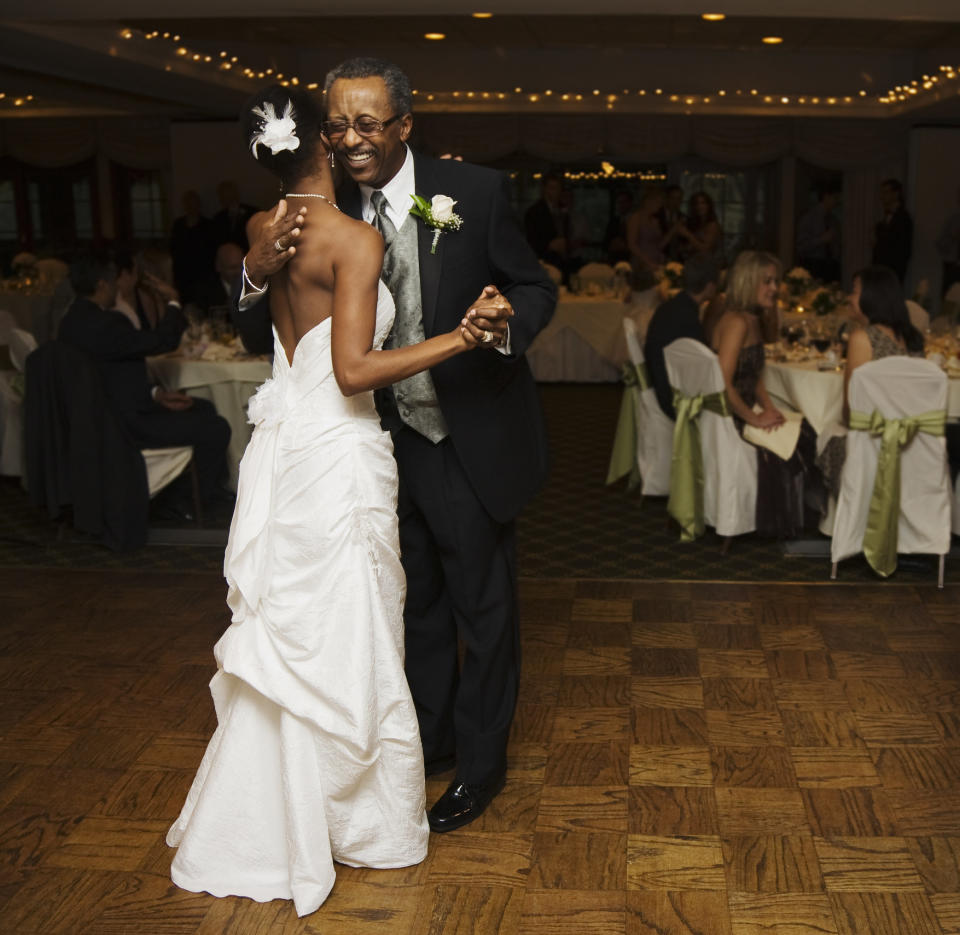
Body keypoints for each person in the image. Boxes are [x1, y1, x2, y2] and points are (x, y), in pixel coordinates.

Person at [167, 84, 497, 915]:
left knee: (292, 632)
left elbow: (279, 323)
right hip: (340, 450)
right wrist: (459, 336)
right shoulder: (351, 240)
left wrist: (250, 274)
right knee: (348, 627)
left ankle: (274, 810)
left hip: (284, 451)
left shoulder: (261, 232)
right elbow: (352, 370)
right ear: (322, 137)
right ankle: (353, 818)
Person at [236, 59, 555, 835]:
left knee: (483, 609)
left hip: (466, 434)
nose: (351, 139)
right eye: (338, 123)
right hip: (376, 442)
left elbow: (537, 284)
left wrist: (505, 312)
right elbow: (266, 330)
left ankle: (481, 767)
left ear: (404, 125)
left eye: (368, 124)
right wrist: (252, 273)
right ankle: (432, 740)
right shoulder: (316, 206)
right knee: (410, 609)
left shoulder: (471, 192)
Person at [58, 256, 231, 512]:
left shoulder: (70, 321)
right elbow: (160, 342)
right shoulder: (108, 323)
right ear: (102, 285)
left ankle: (202, 491)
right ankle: (187, 501)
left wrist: (155, 394)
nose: (117, 289)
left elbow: (110, 371)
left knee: (202, 407)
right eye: (113, 283)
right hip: (125, 423)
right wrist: (172, 301)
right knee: (216, 426)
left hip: (103, 413)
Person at [711, 250, 819, 539]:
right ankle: (797, 524)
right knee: (804, 440)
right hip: (730, 416)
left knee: (805, 429)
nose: (775, 288)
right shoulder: (736, 323)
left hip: (743, 410)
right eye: (767, 281)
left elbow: (753, 374)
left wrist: (770, 408)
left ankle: (809, 520)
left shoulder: (752, 319)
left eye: (776, 281)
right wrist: (755, 419)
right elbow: (722, 383)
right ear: (748, 282)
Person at [816, 266, 926, 497]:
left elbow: (851, 413)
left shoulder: (862, 338)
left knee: (820, 432)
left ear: (872, 297)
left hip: (875, 445)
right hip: (916, 445)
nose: (849, 297)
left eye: (854, 291)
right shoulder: (914, 338)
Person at [643, 254, 719, 419]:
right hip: (674, 398)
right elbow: (705, 364)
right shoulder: (686, 317)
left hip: (660, 384)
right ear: (710, 286)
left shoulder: (671, 307)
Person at [170, 190, 215, 304]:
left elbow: (211, 251)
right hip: (182, 274)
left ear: (198, 205)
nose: (191, 207)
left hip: (203, 274)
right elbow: (173, 248)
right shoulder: (178, 225)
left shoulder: (208, 225)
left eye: (194, 204)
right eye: (188, 204)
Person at [524, 174, 570, 274]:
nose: (555, 192)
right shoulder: (534, 212)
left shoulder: (563, 209)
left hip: (562, 263)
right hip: (544, 264)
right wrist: (549, 245)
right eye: (552, 188)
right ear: (544, 189)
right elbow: (530, 241)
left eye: (558, 188)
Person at [796, 185, 841, 284]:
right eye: (835, 198)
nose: (837, 202)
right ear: (826, 197)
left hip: (830, 265)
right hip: (813, 265)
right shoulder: (809, 217)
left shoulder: (833, 219)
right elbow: (801, 246)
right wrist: (821, 240)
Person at [872, 179, 912, 284]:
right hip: (881, 269)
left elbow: (901, 249)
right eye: (882, 193)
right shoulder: (886, 217)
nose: (882, 196)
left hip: (892, 271)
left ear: (896, 194)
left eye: (886, 192)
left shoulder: (903, 218)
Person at [189, 242, 244, 314]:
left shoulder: (254, 287)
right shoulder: (204, 292)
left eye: (242, 266)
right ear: (218, 267)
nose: (239, 271)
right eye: (232, 268)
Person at [626, 188, 666, 282]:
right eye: (658, 202)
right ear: (648, 202)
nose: (659, 206)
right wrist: (648, 262)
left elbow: (658, 243)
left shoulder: (655, 221)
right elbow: (631, 244)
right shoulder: (635, 219)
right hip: (641, 261)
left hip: (656, 261)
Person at [210, 180, 258, 252]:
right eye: (222, 195)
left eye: (227, 194)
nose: (223, 198)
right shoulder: (218, 218)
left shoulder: (251, 212)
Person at [678, 191, 723, 265]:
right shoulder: (697, 224)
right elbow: (695, 245)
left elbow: (705, 250)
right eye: (696, 203)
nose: (700, 206)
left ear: (709, 205)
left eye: (703, 203)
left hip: (709, 266)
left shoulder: (713, 225)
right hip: (695, 264)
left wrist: (687, 234)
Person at [935, 186, 960, 300]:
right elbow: (940, 244)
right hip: (952, 266)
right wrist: (953, 236)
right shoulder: (953, 220)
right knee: (949, 298)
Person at [657, 184, 686, 262]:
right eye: (673, 198)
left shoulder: (683, 218)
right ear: (666, 199)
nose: (676, 202)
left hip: (678, 259)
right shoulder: (657, 216)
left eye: (679, 199)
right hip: (659, 257)